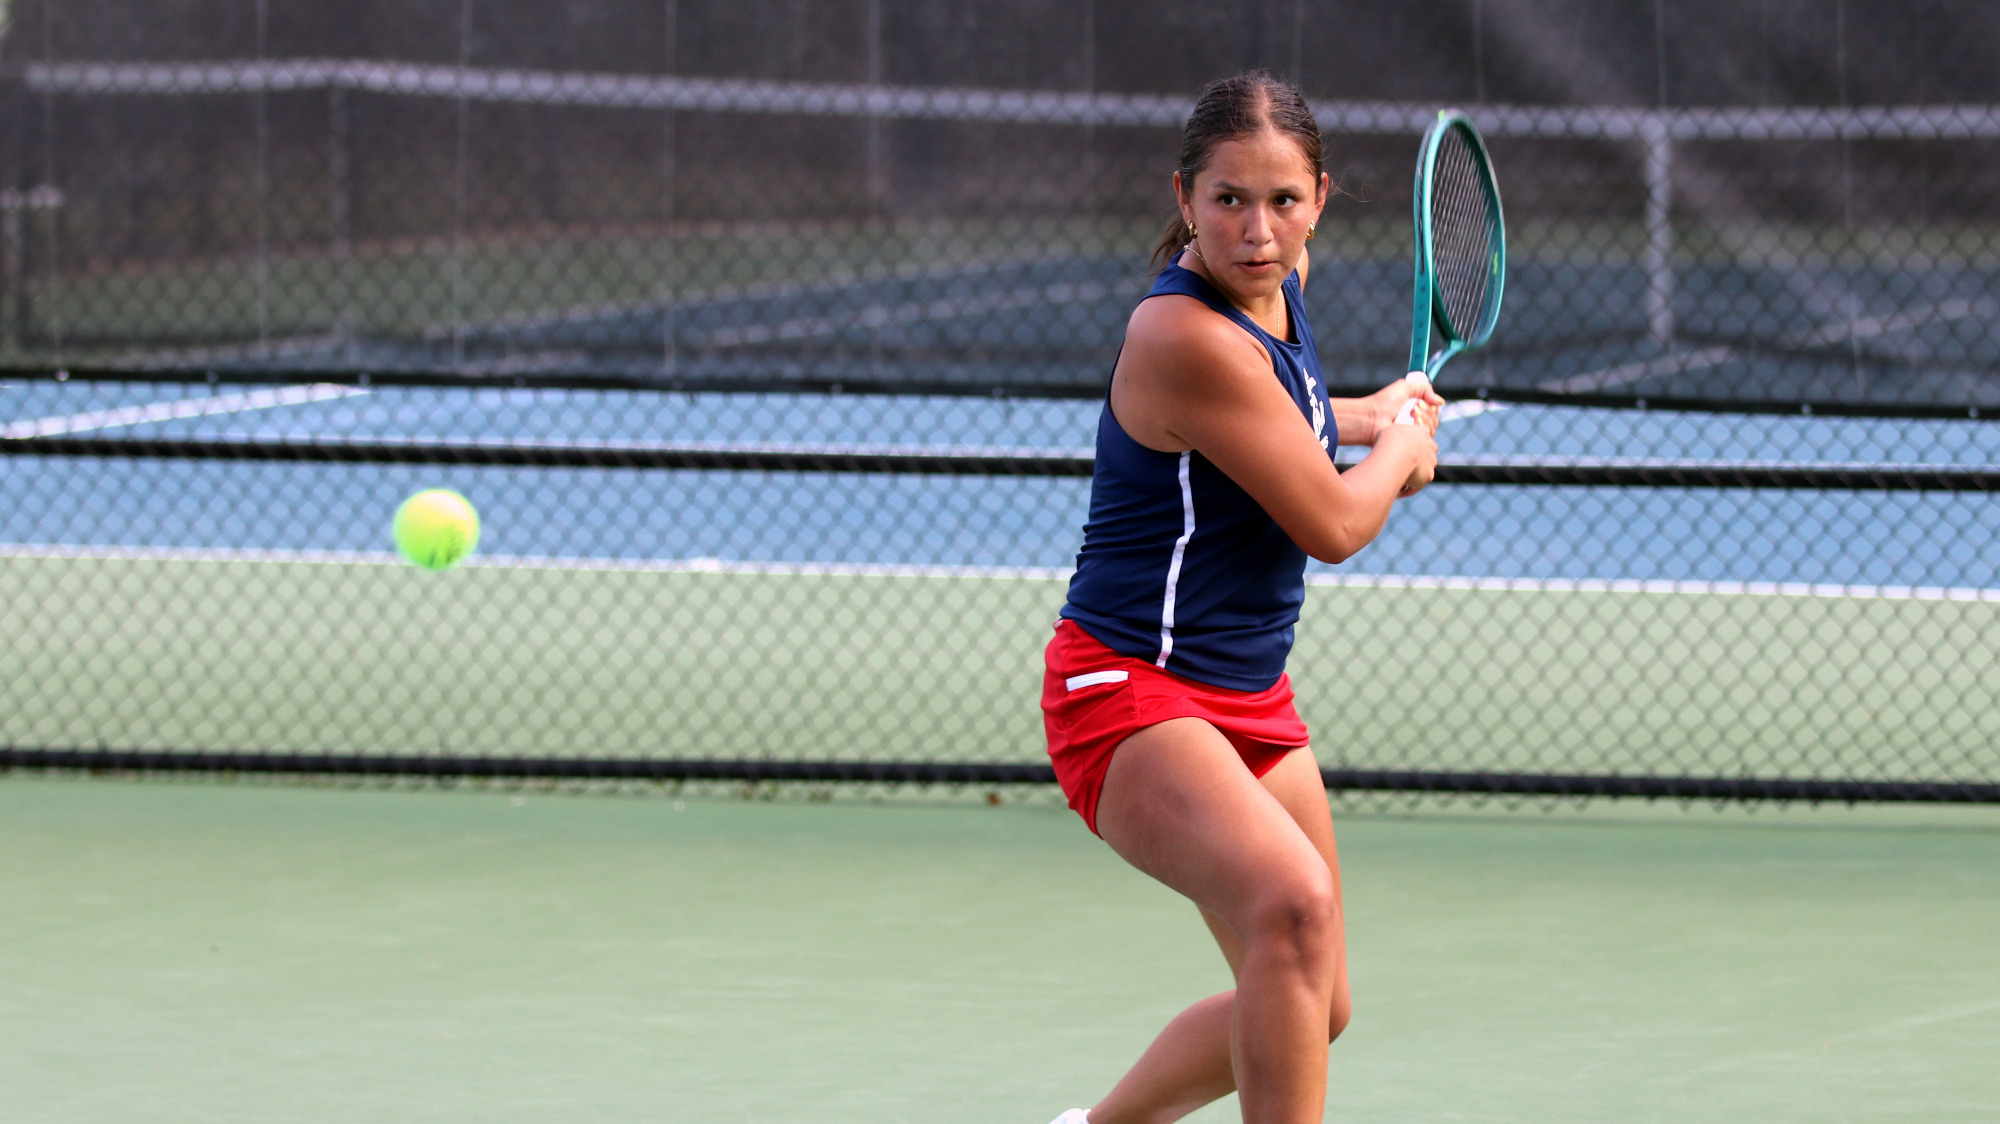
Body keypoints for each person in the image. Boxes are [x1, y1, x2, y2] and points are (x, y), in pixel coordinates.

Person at [1040, 70, 1440, 1124]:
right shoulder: (1184, 336)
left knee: (1319, 997)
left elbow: (1290, 412)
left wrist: (1367, 417)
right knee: (1290, 907)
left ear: (1318, 194)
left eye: (1280, 200)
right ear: (1183, 197)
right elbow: (1335, 527)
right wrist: (1400, 449)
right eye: (1225, 201)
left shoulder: (1278, 278)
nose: (1255, 230)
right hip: (1125, 687)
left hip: (1243, 692)